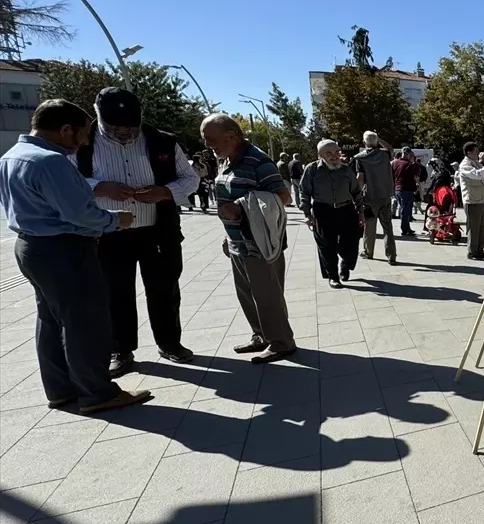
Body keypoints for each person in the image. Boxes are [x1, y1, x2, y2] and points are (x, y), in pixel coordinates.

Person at [0, 99, 150, 413]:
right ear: (65, 129)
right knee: (85, 322)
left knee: (51, 320)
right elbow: (80, 214)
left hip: (31, 247)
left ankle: (61, 389)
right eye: (81, 134)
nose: (83, 142)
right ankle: (97, 393)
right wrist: (115, 221)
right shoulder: (50, 161)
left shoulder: (11, 157)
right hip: (64, 249)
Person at [74, 88, 199, 377]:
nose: (125, 134)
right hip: (108, 230)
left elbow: (190, 178)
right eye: (116, 128)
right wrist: (99, 187)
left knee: (165, 288)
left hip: (157, 230)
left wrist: (165, 192)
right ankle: (121, 349)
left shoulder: (162, 141)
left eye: (131, 127)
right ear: (99, 118)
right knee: (114, 292)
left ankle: (170, 343)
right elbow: (68, 179)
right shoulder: (83, 144)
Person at [203, 113, 296, 364]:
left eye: (210, 138)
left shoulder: (258, 161)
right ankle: (261, 336)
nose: (207, 144)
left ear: (231, 135)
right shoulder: (227, 160)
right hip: (237, 241)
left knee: (267, 295)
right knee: (246, 293)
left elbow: (283, 198)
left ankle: (281, 342)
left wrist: (241, 206)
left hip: (260, 241)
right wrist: (227, 235)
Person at [303, 139, 363, 288]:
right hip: (323, 211)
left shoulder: (346, 170)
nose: (334, 156)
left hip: (346, 209)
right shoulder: (312, 170)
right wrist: (307, 214)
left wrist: (361, 212)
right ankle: (333, 276)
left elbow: (356, 192)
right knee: (327, 245)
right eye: (329, 153)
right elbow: (304, 192)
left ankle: (346, 263)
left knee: (350, 243)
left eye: (336, 152)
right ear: (320, 155)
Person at [352, 131, 397, 264]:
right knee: (387, 226)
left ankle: (368, 251)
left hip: (370, 197)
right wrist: (379, 139)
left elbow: (360, 179)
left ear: (364, 142)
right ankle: (391, 255)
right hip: (386, 195)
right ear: (377, 142)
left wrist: (356, 195)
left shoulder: (360, 158)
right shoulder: (384, 154)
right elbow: (390, 149)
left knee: (369, 227)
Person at [458, 141, 484, 260]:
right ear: (469, 153)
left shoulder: (475, 163)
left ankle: (480, 250)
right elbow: (477, 175)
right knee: (474, 228)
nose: (478, 153)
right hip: (472, 200)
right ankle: (472, 251)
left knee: (482, 227)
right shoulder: (465, 165)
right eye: (476, 151)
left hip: (481, 199)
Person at [390, 147, 420, 236]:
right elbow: (417, 172)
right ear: (410, 154)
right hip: (407, 189)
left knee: (403, 208)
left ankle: (407, 228)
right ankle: (405, 229)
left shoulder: (394, 163)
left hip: (397, 188)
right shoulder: (409, 164)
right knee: (405, 210)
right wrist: (413, 160)